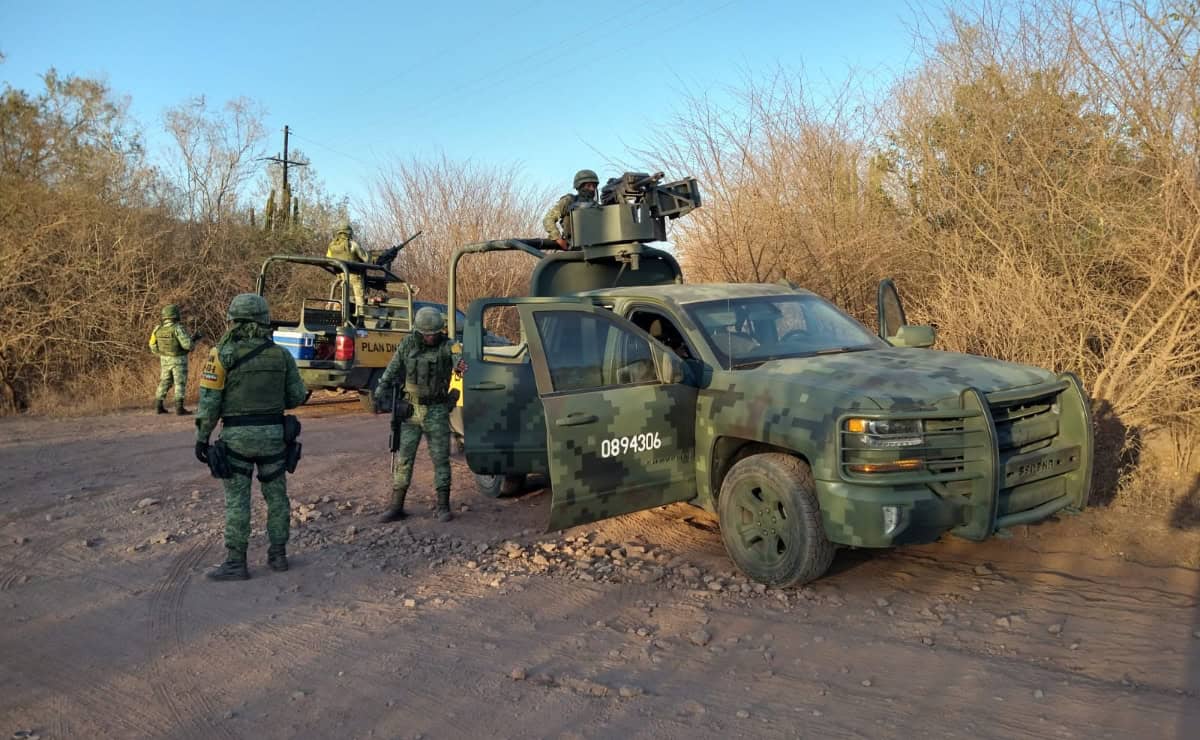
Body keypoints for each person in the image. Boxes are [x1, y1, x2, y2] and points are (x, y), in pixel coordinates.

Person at [195, 293, 308, 581]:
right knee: (277, 497)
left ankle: (236, 563)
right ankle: (278, 555)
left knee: (237, 501)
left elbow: (209, 403)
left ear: (233, 320)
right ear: (264, 320)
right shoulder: (281, 354)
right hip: (273, 435)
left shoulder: (221, 353)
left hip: (236, 438)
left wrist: (202, 437)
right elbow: (296, 396)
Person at [373, 307, 467, 523]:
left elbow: (459, 362)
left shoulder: (448, 345)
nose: (430, 337)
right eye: (426, 333)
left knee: (441, 459)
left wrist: (459, 370)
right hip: (411, 410)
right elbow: (393, 367)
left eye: (433, 332)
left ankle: (443, 506)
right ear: (418, 331)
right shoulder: (408, 344)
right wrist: (380, 391)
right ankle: (396, 506)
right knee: (404, 459)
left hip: (436, 410)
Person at [148, 304, 200, 415]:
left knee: (165, 381)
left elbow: (152, 345)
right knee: (179, 383)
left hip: (164, 360)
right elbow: (188, 346)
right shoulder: (177, 328)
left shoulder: (157, 329)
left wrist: (163, 354)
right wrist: (194, 339)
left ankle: (158, 406)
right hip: (178, 360)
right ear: (175, 315)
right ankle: (179, 408)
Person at [542, 169, 600, 249]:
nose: (592, 189)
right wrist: (558, 238)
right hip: (573, 247)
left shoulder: (597, 207)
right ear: (579, 186)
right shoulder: (569, 201)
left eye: (594, 186)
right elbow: (548, 219)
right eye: (589, 186)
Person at [325, 221, 370, 309]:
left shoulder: (332, 245)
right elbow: (366, 259)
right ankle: (361, 317)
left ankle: (334, 310)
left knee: (341, 297)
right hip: (354, 276)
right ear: (349, 233)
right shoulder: (353, 245)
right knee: (359, 298)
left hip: (340, 275)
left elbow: (328, 258)